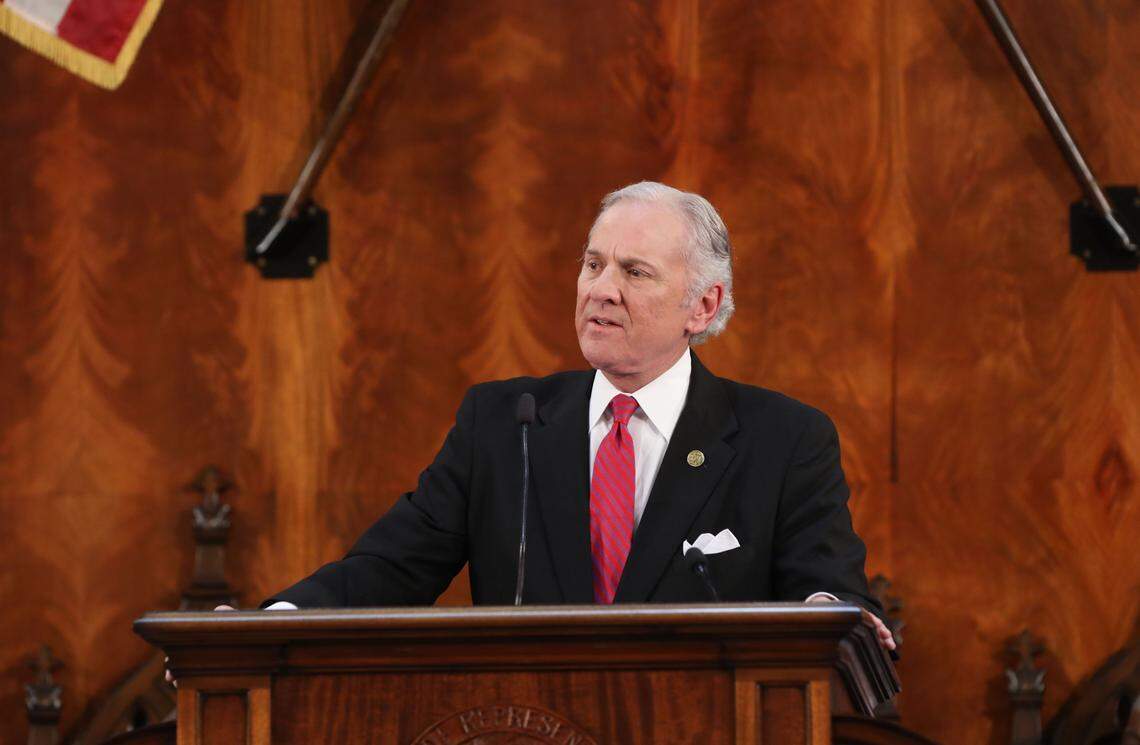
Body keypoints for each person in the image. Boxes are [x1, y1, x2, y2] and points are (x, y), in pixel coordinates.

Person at [248, 182, 894, 650]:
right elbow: (391, 568)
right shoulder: (504, 422)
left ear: (703, 305)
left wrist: (826, 615)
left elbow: (829, 593)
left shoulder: (782, 439)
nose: (600, 289)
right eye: (593, 263)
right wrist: (270, 621)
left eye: (634, 272)